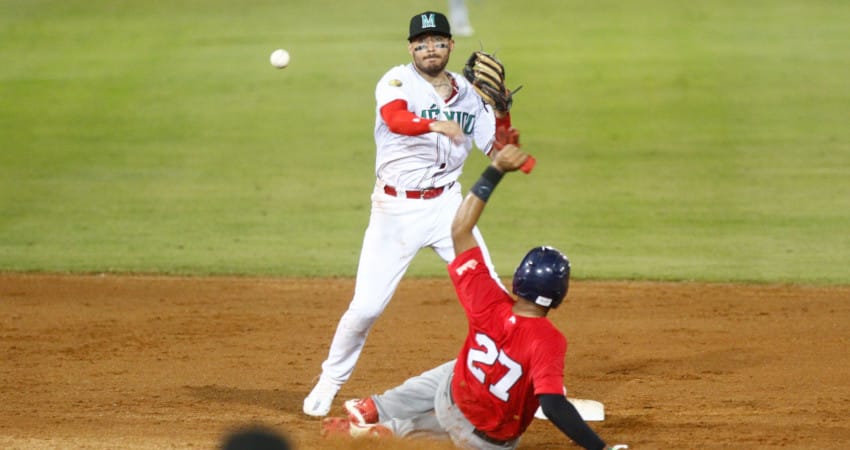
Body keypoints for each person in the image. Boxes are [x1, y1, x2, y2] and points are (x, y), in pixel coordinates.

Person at [321, 145, 628, 450]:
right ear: (560, 294)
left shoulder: (488, 300)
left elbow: (460, 227)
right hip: (480, 441)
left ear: (520, 279)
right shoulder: (549, 340)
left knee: (460, 369)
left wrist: (495, 169)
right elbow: (552, 406)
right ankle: (392, 430)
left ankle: (378, 414)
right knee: (503, 399)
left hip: (450, 399)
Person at [302, 10, 514, 417]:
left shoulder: (471, 94)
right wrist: (436, 125)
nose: (429, 48)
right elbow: (394, 118)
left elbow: (501, 150)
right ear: (410, 48)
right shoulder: (396, 80)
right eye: (421, 42)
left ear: (451, 46)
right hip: (395, 209)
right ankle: (329, 381)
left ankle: (513, 382)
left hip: (449, 208)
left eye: (437, 41)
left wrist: (502, 112)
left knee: (491, 297)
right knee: (366, 308)